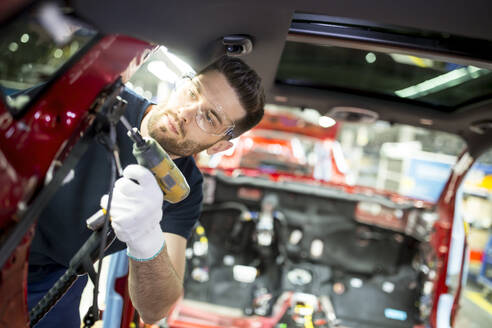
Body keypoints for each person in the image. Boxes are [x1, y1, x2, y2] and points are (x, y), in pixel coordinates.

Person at [27, 56, 265, 327]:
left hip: (54, 283)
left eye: (209, 117)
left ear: (219, 147)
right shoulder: (100, 98)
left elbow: (155, 310)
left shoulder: (184, 188)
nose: (185, 112)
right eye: (192, 92)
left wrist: (146, 239)